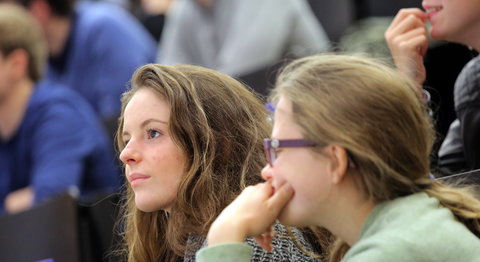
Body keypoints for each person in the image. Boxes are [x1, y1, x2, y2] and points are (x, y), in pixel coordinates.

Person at [194, 54, 480, 262]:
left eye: (278, 148)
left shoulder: (397, 254)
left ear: (335, 160)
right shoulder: (406, 229)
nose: (266, 170)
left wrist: (223, 240)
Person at [116, 63, 327, 262]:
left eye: (153, 133)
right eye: (127, 138)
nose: (127, 154)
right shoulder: (192, 238)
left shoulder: (255, 244)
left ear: (215, 143)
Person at [0, 3, 120, 215]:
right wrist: (10, 204)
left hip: (93, 246)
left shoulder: (59, 115)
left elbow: (47, 208)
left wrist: (17, 203)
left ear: (17, 64)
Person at [6, 0, 156, 133]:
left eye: (8, 12)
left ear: (39, 9)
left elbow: (124, 118)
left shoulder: (103, 27)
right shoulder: (40, 56)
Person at [384, 4, 480, 175]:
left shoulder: (472, 81)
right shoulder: (472, 80)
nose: (425, 3)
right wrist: (410, 87)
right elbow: (446, 190)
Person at [158, 0, 330, 77]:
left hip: (313, 106)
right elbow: (168, 76)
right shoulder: (185, 9)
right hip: (252, 112)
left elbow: (241, 73)